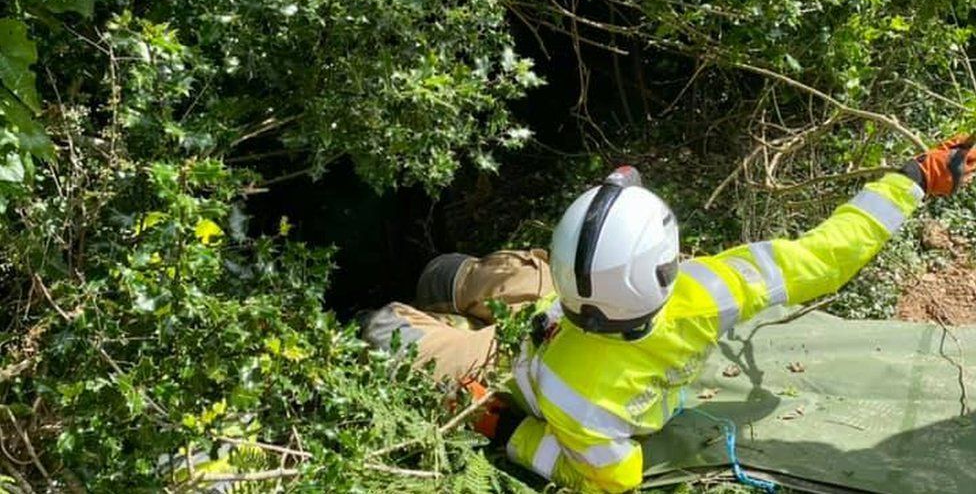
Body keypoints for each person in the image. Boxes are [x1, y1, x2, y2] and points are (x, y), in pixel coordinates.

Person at [358, 135, 976, 492]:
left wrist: (507, 428)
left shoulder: (579, 395)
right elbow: (827, 256)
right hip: (552, 319)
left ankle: (449, 295)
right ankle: (456, 289)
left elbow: (597, 477)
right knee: (495, 281)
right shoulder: (710, 290)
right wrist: (914, 180)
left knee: (386, 326)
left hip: (517, 364)